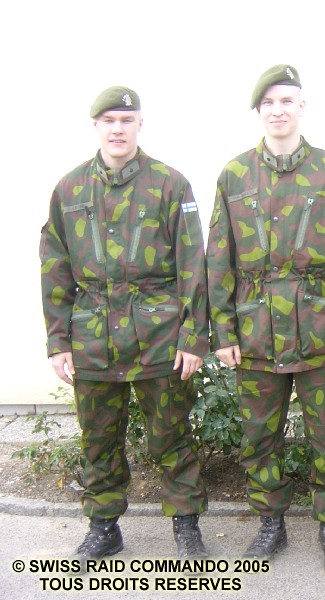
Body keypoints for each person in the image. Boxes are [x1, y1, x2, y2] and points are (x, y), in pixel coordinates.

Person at [205, 64, 325, 577]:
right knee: (259, 435)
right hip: (254, 330)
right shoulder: (234, 175)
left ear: (302, 107)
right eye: (269, 103)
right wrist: (222, 331)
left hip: (318, 331)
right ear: (258, 111)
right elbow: (218, 256)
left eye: (287, 101)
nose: (278, 110)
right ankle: (270, 521)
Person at [39, 86, 210, 566]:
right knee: (98, 438)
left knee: (171, 434)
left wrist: (193, 337)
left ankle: (186, 526)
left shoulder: (169, 184)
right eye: (109, 120)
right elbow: (54, 266)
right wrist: (58, 341)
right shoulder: (70, 189)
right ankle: (103, 527)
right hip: (92, 337)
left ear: (140, 125)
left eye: (126, 120)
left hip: (159, 336)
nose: (118, 129)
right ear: (96, 126)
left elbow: (193, 264)